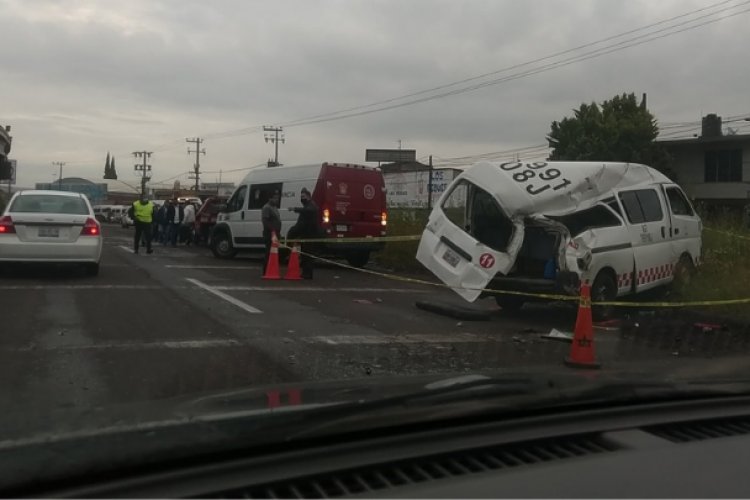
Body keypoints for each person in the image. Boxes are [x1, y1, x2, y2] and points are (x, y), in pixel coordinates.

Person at [288, 187, 319, 279]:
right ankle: (306, 273)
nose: (302, 199)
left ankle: (308, 274)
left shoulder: (311, 206)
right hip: (305, 234)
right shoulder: (307, 206)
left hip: (310, 235)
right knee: (305, 255)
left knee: (308, 255)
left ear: (309, 196)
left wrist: (295, 209)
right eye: (301, 196)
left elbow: (309, 211)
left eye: (304, 196)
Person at [261, 191, 282, 275]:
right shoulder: (266, 207)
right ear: (270, 198)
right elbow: (265, 221)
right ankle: (266, 271)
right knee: (269, 253)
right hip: (270, 234)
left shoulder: (274, 207)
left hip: (276, 233)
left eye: (277, 198)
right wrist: (272, 231)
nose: (277, 200)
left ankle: (271, 270)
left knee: (274, 253)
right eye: (275, 198)